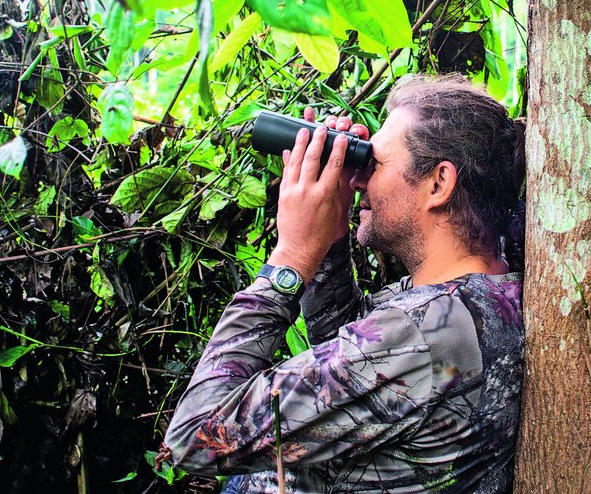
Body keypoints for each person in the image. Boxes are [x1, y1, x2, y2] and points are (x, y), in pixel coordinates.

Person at [160, 74, 525, 493]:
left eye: (374, 165)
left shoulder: (420, 335)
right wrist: (331, 239)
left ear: (438, 184)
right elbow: (354, 372)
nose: (355, 180)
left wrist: (291, 258)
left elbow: (195, 438)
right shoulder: (480, 295)